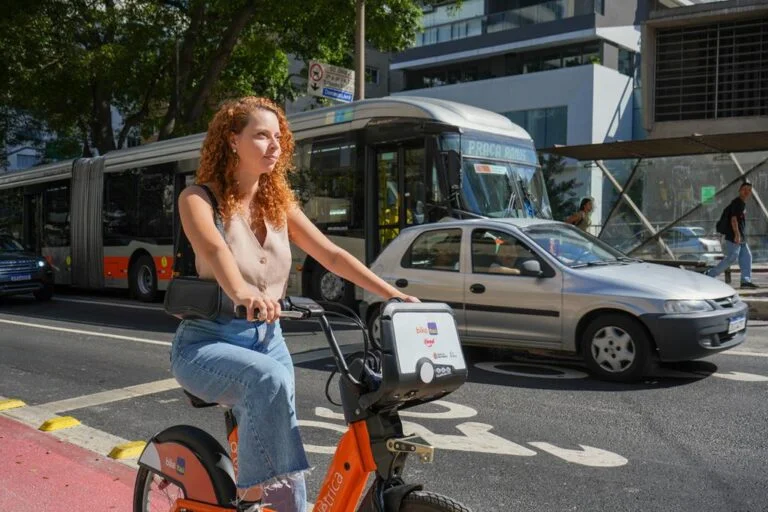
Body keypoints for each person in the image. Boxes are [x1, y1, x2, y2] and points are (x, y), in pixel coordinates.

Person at [171, 96, 418, 512]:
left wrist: (390, 292)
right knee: (266, 382)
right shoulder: (198, 198)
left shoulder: (279, 206)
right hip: (207, 342)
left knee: (281, 427)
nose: (275, 146)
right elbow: (215, 251)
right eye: (261, 136)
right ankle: (248, 503)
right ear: (232, 141)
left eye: (279, 138)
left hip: (269, 340)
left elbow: (333, 256)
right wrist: (244, 293)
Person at [706, 181, 758, 289]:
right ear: (740, 191)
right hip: (734, 236)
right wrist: (737, 234)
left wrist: (740, 235)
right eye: (744, 189)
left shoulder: (742, 203)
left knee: (747, 257)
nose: (747, 192)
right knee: (732, 257)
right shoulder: (737, 202)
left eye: (749, 190)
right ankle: (710, 275)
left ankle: (745, 281)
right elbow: (733, 219)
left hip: (741, 237)